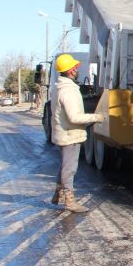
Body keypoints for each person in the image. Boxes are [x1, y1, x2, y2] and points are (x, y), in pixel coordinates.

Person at [50, 53, 105, 213]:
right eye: (75, 67)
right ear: (71, 71)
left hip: (64, 133)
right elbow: (74, 117)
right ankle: (69, 201)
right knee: (70, 167)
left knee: (65, 166)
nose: (77, 69)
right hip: (70, 134)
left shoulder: (60, 87)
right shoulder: (68, 91)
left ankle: (58, 193)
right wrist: (97, 117)